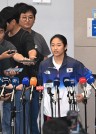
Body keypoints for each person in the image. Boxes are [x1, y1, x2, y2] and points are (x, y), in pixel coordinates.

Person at [38, 34, 92, 125]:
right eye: (52, 45)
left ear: (65, 46)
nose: (55, 48)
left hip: (70, 110)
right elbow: (39, 84)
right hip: (50, 111)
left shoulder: (74, 64)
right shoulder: (44, 65)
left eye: (59, 45)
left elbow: (89, 79)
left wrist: (84, 94)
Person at [13, 3, 51, 133]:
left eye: (31, 17)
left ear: (34, 19)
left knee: (33, 118)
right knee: (20, 119)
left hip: (35, 84)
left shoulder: (38, 37)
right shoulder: (11, 37)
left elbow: (46, 60)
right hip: (17, 85)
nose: (27, 20)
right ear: (17, 19)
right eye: (24, 17)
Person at [0, 6, 37, 134]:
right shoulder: (5, 36)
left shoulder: (24, 36)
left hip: (22, 87)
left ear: (13, 22)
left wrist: (29, 59)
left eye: (5, 24)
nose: (2, 28)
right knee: (6, 123)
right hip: (7, 86)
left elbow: (22, 53)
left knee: (21, 125)